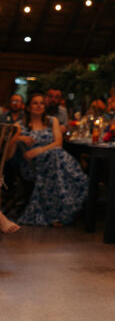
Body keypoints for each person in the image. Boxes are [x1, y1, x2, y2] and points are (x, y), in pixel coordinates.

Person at [10, 94, 88, 227]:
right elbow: (9, 144)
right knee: (56, 158)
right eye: (35, 103)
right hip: (32, 165)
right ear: (28, 107)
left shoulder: (52, 121)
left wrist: (39, 150)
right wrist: (20, 138)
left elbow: (58, 143)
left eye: (41, 103)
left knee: (55, 155)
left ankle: (58, 212)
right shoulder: (19, 125)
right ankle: (56, 215)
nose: (39, 106)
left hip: (54, 160)